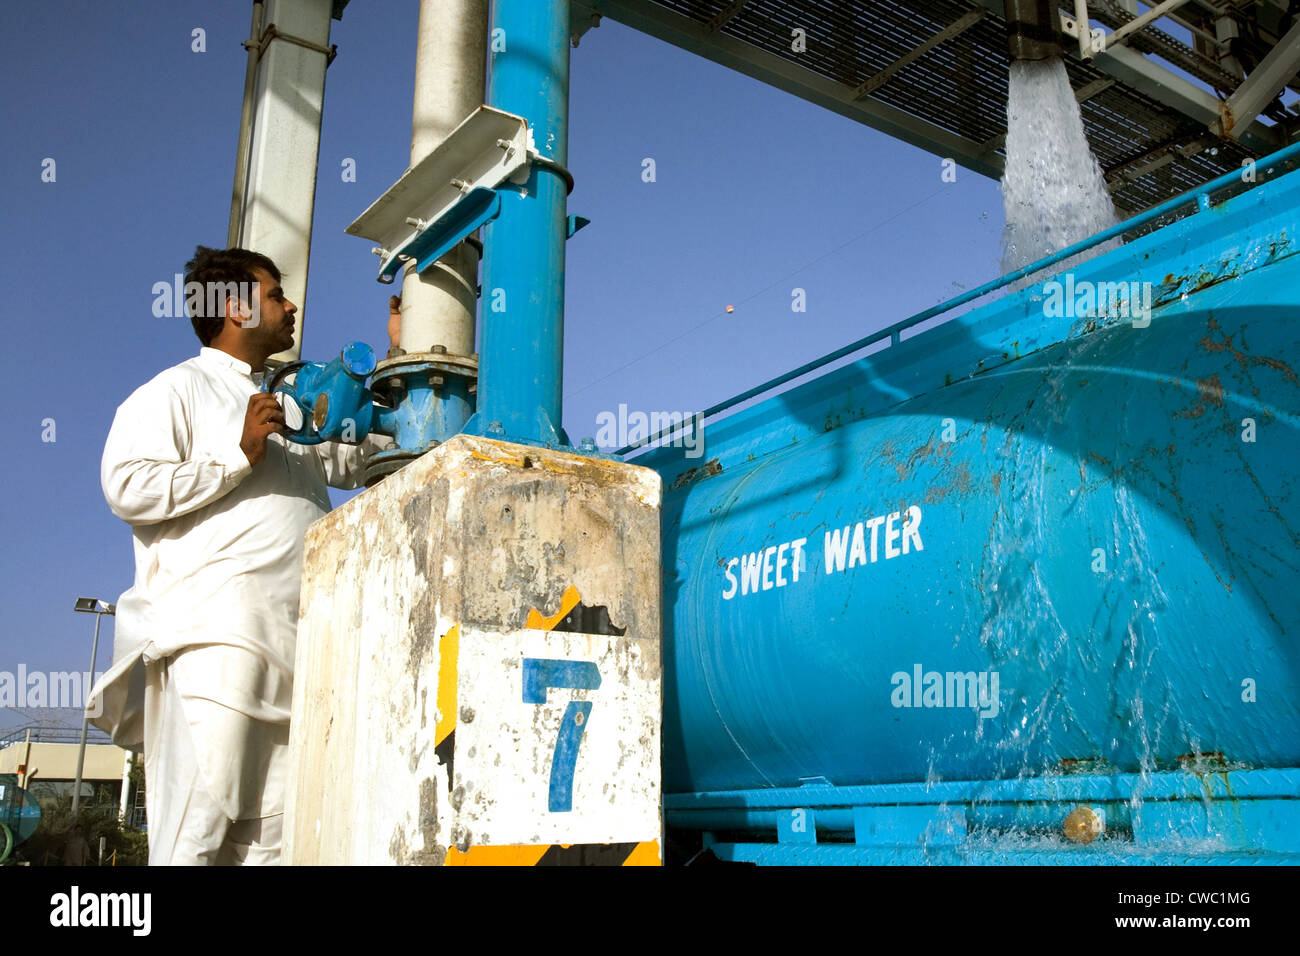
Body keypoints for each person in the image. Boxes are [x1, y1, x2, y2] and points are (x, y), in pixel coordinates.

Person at [88, 246, 396, 865]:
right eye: (277, 294)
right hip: (217, 644)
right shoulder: (177, 391)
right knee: (195, 838)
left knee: (270, 848)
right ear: (233, 307)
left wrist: (400, 354)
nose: (291, 306)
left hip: (299, 654)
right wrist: (238, 456)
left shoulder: (290, 405)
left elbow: (367, 459)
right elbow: (126, 484)